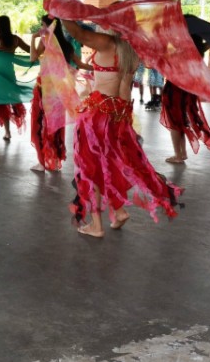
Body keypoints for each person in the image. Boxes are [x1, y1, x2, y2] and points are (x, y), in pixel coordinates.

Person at [59, 18, 181, 238]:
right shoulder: (132, 47)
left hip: (98, 115)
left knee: (90, 170)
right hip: (120, 114)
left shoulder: (107, 42)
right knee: (109, 164)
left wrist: (62, 12)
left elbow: (79, 34)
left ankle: (96, 225)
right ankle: (119, 211)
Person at [28, 15, 85, 171]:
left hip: (45, 90)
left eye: (41, 24)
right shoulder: (66, 45)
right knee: (56, 124)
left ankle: (42, 162)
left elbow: (32, 58)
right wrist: (102, 69)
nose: (40, 28)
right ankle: (54, 160)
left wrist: (33, 38)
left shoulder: (45, 42)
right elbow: (80, 64)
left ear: (47, 27)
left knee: (41, 124)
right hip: (60, 92)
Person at [161, 34, 210, 164]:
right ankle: (182, 153)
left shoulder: (180, 53)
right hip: (188, 91)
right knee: (181, 121)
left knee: (174, 123)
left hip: (175, 90)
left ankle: (178, 154)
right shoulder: (197, 51)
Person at [0, 15, 30, 142]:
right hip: (9, 74)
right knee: (4, 103)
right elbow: (30, 50)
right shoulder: (15, 40)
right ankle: (7, 133)